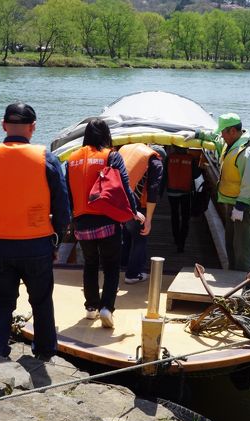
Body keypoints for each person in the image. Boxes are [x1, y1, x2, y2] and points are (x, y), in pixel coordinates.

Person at [0, 103, 70, 359]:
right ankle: (45, 352)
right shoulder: (45, 158)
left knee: (1, 303)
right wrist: (56, 243)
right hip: (37, 244)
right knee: (41, 302)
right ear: (33, 127)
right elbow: (63, 209)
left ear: (3, 125)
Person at [66, 119, 143, 328]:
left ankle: (91, 307)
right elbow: (124, 187)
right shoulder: (111, 156)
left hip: (81, 224)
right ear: (106, 135)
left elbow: (68, 193)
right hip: (107, 221)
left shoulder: (72, 159)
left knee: (90, 264)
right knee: (111, 266)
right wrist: (134, 212)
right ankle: (107, 308)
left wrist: (71, 220)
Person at [192, 113, 250, 272]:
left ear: (232, 131)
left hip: (245, 207)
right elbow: (216, 138)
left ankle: (241, 283)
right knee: (230, 243)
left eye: (223, 132)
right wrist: (199, 134)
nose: (221, 136)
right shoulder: (230, 142)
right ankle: (232, 275)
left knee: (241, 248)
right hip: (232, 204)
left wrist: (241, 206)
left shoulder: (248, 152)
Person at [118, 143, 163, 284]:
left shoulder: (128, 151)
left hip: (119, 203)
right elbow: (153, 190)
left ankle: (123, 264)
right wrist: (148, 220)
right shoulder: (156, 163)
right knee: (140, 239)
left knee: (127, 234)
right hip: (137, 207)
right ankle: (132, 274)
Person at [162, 145, 200, 253]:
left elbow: (164, 175)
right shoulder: (191, 159)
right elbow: (196, 176)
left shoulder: (169, 158)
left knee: (174, 215)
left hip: (171, 191)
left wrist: (159, 192)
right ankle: (181, 243)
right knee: (185, 218)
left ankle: (176, 238)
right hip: (186, 192)